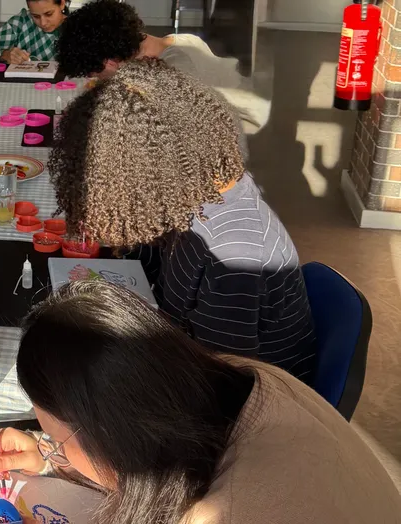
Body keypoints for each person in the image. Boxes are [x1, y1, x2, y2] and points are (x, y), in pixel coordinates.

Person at [0, 279, 401, 524]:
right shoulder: (233, 377)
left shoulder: (218, 514)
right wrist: (48, 459)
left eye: (58, 441)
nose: (53, 447)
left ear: (114, 436)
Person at [50, 59, 316, 381]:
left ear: (146, 174)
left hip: (245, 403)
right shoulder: (187, 193)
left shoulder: (235, 256)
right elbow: (158, 261)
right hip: (179, 345)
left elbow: (219, 382)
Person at [58, 0, 269, 139]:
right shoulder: (173, 43)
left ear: (110, 62)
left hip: (246, 145)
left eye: (95, 74)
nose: (97, 79)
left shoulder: (173, 77)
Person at [0, 0, 67, 64]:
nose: (43, 23)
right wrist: (3, 55)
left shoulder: (76, 28)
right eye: (35, 16)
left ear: (62, 4)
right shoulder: (21, 22)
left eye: (49, 14)